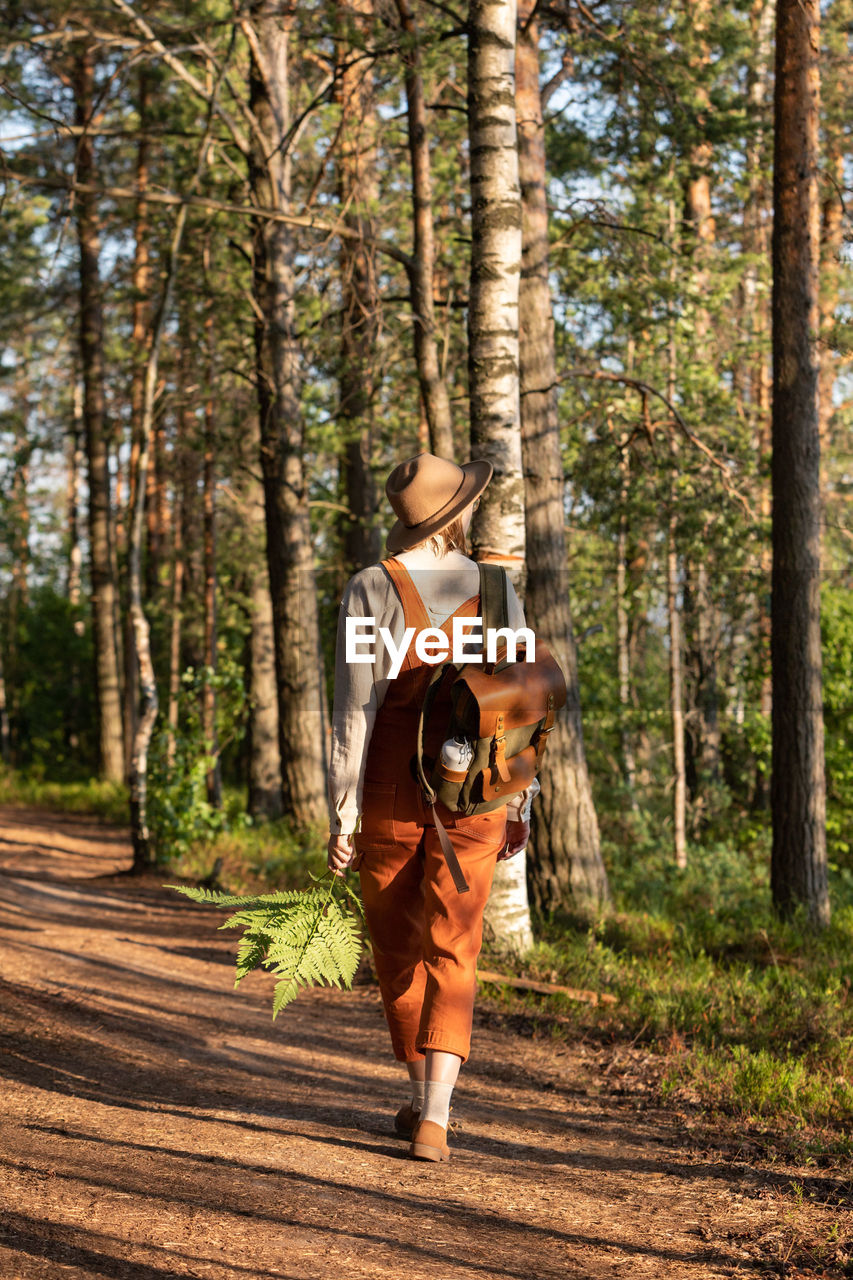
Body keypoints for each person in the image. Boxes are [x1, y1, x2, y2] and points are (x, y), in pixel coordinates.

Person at [326, 452, 540, 1162]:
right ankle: (436, 1119)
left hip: (389, 782)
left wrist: (342, 813)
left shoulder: (369, 588)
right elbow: (518, 707)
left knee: (394, 947)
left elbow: (353, 709)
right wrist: (521, 804)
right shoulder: (498, 590)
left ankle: (421, 1097)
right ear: (456, 513)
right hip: (476, 789)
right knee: (456, 944)